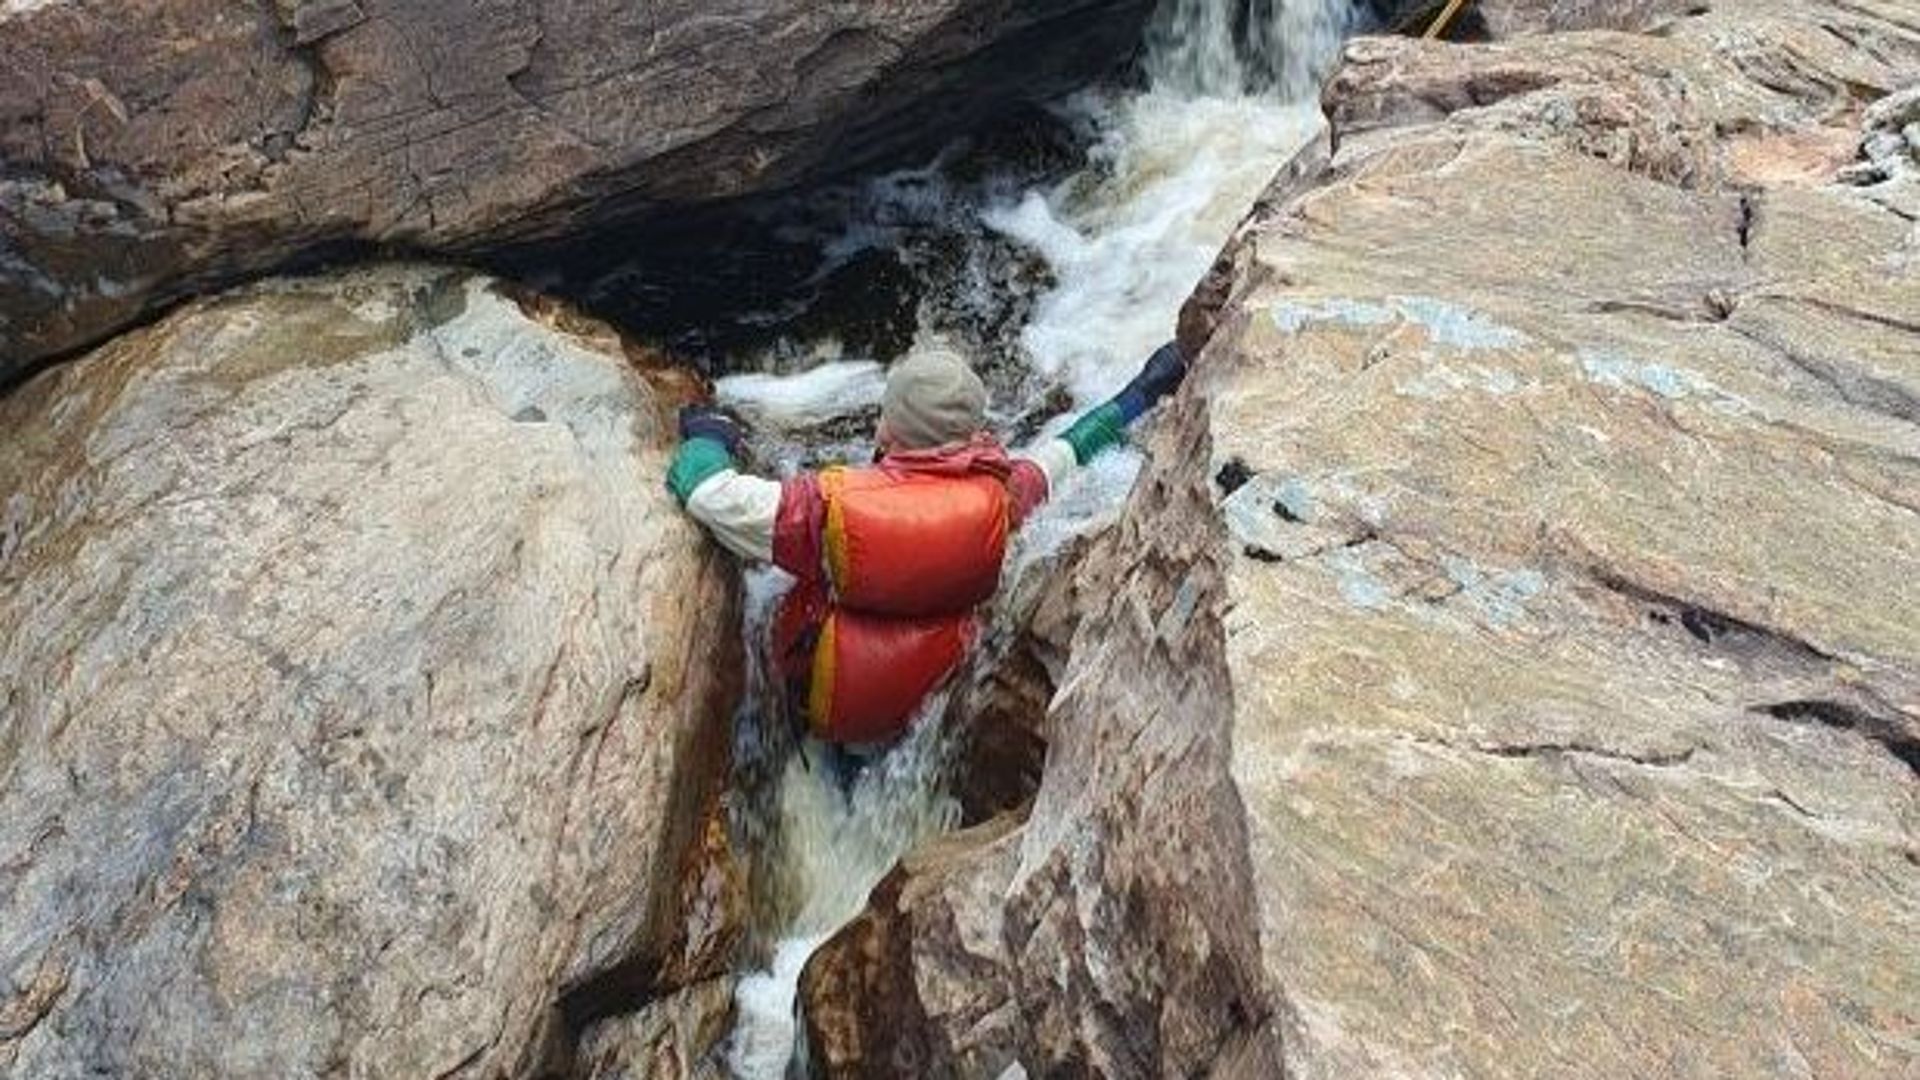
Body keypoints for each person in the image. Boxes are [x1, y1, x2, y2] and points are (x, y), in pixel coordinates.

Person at [667, 340, 1188, 749]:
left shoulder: (827, 512)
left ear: (889, 428)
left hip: (828, 706)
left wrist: (707, 437)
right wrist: (1141, 393)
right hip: (922, 716)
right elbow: (1068, 453)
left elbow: (712, 495)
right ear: (974, 431)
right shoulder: (1000, 500)